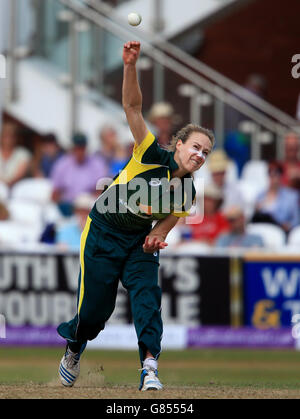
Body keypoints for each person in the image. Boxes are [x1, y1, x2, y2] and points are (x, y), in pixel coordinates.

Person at [57, 41, 214, 391]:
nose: (200, 155)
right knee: (95, 313)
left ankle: (149, 367)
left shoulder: (187, 190)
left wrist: (158, 235)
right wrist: (130, 65)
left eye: (205, 152)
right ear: (178, 144)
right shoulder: (148, 152)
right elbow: (132, 105)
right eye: (195, 147)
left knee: (147, 299)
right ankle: (74, 345)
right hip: (102, 231)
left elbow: (170, 220)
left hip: (138, 243)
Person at [50, 133, 108, 216]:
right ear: (72, 148)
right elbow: (55, 193)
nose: (79, 151)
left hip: (89, 206)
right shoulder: (62, 164)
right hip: (68, 207)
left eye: (82, 148)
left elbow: (102, 190)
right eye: (77, 148)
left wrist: (87, 202)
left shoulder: (97, 163)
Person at [252, 161, 299, 233]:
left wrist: (289, 225)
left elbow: (297, 219)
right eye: (270, 173)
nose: (273, 177)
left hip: (281, 230)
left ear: (281, 176)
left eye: (276, 174)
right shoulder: (260, 195)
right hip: (263, 229)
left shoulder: (292, 196)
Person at [0, 122, 32, 187]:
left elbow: (20, 174)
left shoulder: (23, 153)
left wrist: (7, 184)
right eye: (6, 136)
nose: (8, 140)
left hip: (16, 188)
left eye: (11, 136)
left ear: (16, 138)